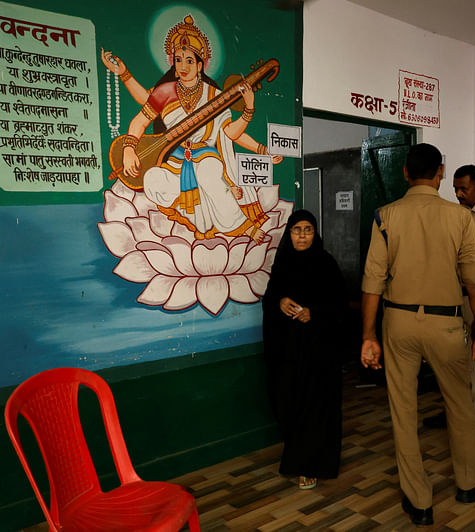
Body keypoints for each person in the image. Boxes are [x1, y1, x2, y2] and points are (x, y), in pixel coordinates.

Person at [360, 143, 475, 526]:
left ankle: (419, 502)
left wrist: (369, 334)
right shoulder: (460, 217)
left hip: (398, 321)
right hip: (446, 323)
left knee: (403, 411)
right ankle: (468, 483)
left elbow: (373, 281)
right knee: (460, 404)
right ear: (439, 174)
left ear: (405, 173)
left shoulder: (385, 216)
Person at [102, 16, 278, 242]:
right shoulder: (165, 92)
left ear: (200, 64)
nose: (183, 66)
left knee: (208, 175)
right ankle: (195, 214)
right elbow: (139, 121)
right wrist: (128, 149)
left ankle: (244, 228)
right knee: (153, 179)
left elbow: (230, 134)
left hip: (204, 156)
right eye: (178, 60)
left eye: (189, 61)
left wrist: (250, 111)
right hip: (175, 160)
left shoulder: (214, 95)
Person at [262, 210, 346, 490]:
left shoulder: (326, 264)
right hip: (288, 352)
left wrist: (315, 313)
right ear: (289, 233)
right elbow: (270, 297)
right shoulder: (282, 263)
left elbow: (340, 307)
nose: (301, 235)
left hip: (319, 353)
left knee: (315, 407)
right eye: (296, 230)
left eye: (308, 229)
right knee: (290, 403)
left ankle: (311, 466)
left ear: (315, 233)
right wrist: (280, 301)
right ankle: (298, 458)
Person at [424, 164, 475, 446]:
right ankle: (454, 415)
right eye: (455, 187)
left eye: (464, 189)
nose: (458, 193)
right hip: (454, 298)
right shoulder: (457, 215)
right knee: (453, 361)